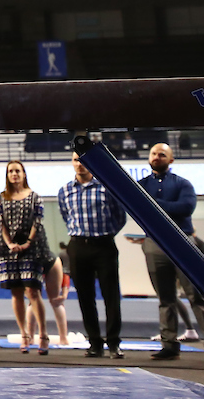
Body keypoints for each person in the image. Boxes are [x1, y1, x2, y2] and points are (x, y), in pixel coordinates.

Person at [138, 143, 204, 363]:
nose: (157, 157)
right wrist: (162, 206)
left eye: (162, 154)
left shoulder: (183, 183)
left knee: (196, 296)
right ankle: (169, 345)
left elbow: (186, 208)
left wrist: (152, 204)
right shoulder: (141, 185)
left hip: (183, 242)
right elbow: (135, 208)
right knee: (165, 298)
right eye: (154, 154)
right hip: (154, 243)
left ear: (171, 160)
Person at [59, 151, 125, 358]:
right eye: (76, 160)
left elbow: (119, 217)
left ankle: (113, 343)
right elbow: (66, 216)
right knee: (85, 297)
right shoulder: (65, 191)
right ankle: (95, 343)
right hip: (78, 246)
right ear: (72, 163)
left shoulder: (106, 187)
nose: (80, 164)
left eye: (83, 160)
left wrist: (105, 235)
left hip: (104, 245)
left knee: (111, 296)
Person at [0, 161, 50, 354]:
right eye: (10, 171)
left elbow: (38, 222)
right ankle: (24, 335)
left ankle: (43, 334)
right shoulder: (1, 198)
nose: (14, 174)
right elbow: (0, 223)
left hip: (32, 248)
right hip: (8, 249)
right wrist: (10, 244)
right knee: (16, 292)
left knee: (32, 291)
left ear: (24, 174)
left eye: (17, 170)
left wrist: (27, 243)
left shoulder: (35, 197)